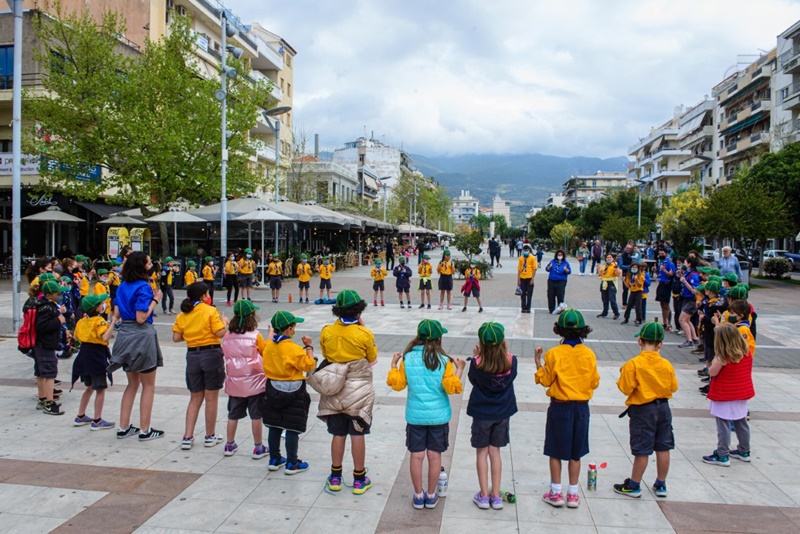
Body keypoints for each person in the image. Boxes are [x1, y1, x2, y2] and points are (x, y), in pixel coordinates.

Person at [386, 319, 465, 509]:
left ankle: (418, 495)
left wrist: (393, 365)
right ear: (439, 338)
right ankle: (431, 496)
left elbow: (397, 385)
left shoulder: (407, 358)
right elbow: (451, 387)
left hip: (415, 416)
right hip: (438, 417)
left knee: (416, 456)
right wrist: (460, 368)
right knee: (435, 456)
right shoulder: (444, 360)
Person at [308, 289, 377, 495]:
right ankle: (359, 479)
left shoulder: (327, 331)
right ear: (358, 312)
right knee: (358, 434)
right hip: (359, 392)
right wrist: (362, 328)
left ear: (337, 311)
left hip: (334, 389)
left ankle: (336, 477)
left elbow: (327, 355)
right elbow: (372, 359)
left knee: (337, 433)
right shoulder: (364, 333)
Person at [535, 310, 600, 508]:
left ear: (559, 330)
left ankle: (556, 492)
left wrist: (538, 361)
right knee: (575, 452)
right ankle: (573, 493)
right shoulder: (589, 354)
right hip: (581, 408)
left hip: (560, 407)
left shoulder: (554, 353)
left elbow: (545, 380)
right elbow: (594, 382)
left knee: (555, 450)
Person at [614, 321, 678, 498]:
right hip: (663, 408)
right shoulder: (666, 364)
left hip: (643, 410)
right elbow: (673, 387)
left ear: (640, 341)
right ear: (661, 344)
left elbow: (626, 388)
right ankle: (661, 483)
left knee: (642, 449)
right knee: (663, 446)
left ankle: (634, 484)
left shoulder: (634, 364)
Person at [109, 251, 164, 441]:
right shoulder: (144, 287)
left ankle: (123, 426)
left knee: (132, 383)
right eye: (148, 263)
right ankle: (145, 429)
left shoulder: (122, 286)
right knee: (148, 385)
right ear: (142, 266)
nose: (151, 265)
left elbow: (117, 312)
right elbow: (142, 317)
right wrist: (155, 300)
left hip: (125, 334)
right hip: (141, 336)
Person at [467, 322, 517, 510]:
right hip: (502, 412)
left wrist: (476, 356)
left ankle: (483, 495)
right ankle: (496, 496)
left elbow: (473, 380)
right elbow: (511, 378)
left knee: (482, 452)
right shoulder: (512, 361)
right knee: (495, 451)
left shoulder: (477, 363)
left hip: (482, 413)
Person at [173, 282, 228, 450]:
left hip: (192, 355)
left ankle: (187, 436)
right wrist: (225, 322)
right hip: (211, 354)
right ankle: (209, 435)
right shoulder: (211, 311)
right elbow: (219, 333)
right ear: (204, 295)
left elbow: (176, 337)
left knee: (195, 397)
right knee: (211, 397)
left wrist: (192, 335)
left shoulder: (183, 314)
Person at [262, 310, 317, 473]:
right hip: (294, 390)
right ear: (288, 329)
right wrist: (309, 347)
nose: (294, 329)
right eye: (293, 326)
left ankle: (274, 458)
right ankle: (292, 462)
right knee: (292, 426)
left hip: (273, 388)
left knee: (274, 424)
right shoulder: (293, 349)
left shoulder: (268, 346)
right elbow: (309, 365)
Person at [220, 299, 269, 459]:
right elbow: (265, 352)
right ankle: (258, 447)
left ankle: (229, 444)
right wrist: (270, 336)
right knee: (256, 416)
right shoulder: (256, 336)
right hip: (255, 383)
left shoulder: (227, 336)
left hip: (235, 383)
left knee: (232, 415)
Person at [701, 323, 755, 466]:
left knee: (723, 423)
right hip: (742, 393)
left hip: (725, 394)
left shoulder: (722, 357)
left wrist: (713, 361)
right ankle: (744, 451)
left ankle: (722, 454)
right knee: (741, 422)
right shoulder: (746, 352)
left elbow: (712, 372)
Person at [71, 293, 116, 430]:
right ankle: (97, 420)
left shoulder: (81, 321)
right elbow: (105, 337)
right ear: (97, 308)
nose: (104, 304)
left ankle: (80, 415)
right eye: (101, 303)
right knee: (100, 389)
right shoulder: (99, 321)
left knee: (89, 387)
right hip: (96, 357)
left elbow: (76, 336)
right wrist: (113, 322)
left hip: (83, 356)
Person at [34, 280, 69, 415]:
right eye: (57, 293)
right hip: (45, 344)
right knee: (49, 373)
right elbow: (42, 326)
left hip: (41, 344)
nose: (59, 295)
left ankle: (43, 398)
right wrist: (58, 320)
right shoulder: (46, 308)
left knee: (41, 372)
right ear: (49, 295)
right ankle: (49, 402)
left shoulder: (42, 305)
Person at [678, 256, 702, 348]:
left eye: (684, 263)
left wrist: (685, 282)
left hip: (692, 300)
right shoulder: (688, 273)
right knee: (687, 319)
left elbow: (694, 291)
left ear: (689, 264)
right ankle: (695, 338)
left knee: (682, 319)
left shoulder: (694, 275)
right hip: (686, 298)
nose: (683, 265)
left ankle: (689, 341)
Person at [655, 249, 676, 331]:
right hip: (660, 284)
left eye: (662, 253)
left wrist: (664, 270)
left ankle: (669, 323)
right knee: (662, 304)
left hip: (666, 285)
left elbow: (671, 274)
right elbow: (660, 274)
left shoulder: (670, 263)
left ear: (666, 254)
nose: (660, 254)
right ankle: (664, 322)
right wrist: (656, 271)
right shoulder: (661, 262)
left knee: (666, 304)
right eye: (659, 253)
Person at [545, 250, 571, 314]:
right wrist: (549, 267)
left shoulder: (565, 263)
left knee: (560, 295)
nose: (559, 256)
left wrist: (566, 270)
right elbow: (547, 269)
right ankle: (551, 309)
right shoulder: (552, 261)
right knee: (551, 295)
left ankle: (560, 309)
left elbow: (569, 271)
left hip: (561, 281)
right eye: (558, 255)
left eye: (561, 255)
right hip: (552, 280)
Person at [597, 253, 621, 319]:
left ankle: (616, 313)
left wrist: (616, 267)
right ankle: (605, 312)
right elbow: (600, 274)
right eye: (607, 257)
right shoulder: (604, 266)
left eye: (610, 257)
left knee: (612, 299)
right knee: (604, 299)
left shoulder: (614, 265)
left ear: (613, 259)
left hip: (611, 283)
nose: (608, 258)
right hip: (604, 283)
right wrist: (598, 268)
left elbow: (618, 274)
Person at [622, 259, 645, 326]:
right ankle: (626, 318)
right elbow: (628, 286)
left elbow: (640, 284)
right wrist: (624, 281)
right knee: (629, 305)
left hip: (639, 291)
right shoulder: (629, 276)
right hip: (632, 291)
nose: (634, 269)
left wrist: (636, 279)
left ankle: (639, 319)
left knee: (638, 306)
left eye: (635, 268)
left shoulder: (640, 275)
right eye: (633, 267)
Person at [517, 243, 537, 313]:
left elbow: (534, 269)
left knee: (529, 293)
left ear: (529, 250)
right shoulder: (521, 258)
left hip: (529, 277)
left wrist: (532, 278)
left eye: (527, 250)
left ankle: (528, 307)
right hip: (522, 277)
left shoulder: (532, 258)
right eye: (524, 250)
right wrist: (518, 279)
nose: (526, 251)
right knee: (523, 293)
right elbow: (519, 269)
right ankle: (523, 307)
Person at [618, 242, 634, 307]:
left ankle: (633, 303)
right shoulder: (622, 256)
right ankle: (624, 303)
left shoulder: (634, 255)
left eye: (629, 248)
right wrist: (630, 266)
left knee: (634, 289)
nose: (628, 249)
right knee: (625, 289)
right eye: (627, 248)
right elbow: (621, 266)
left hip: (634, 274)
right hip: (626, 274)